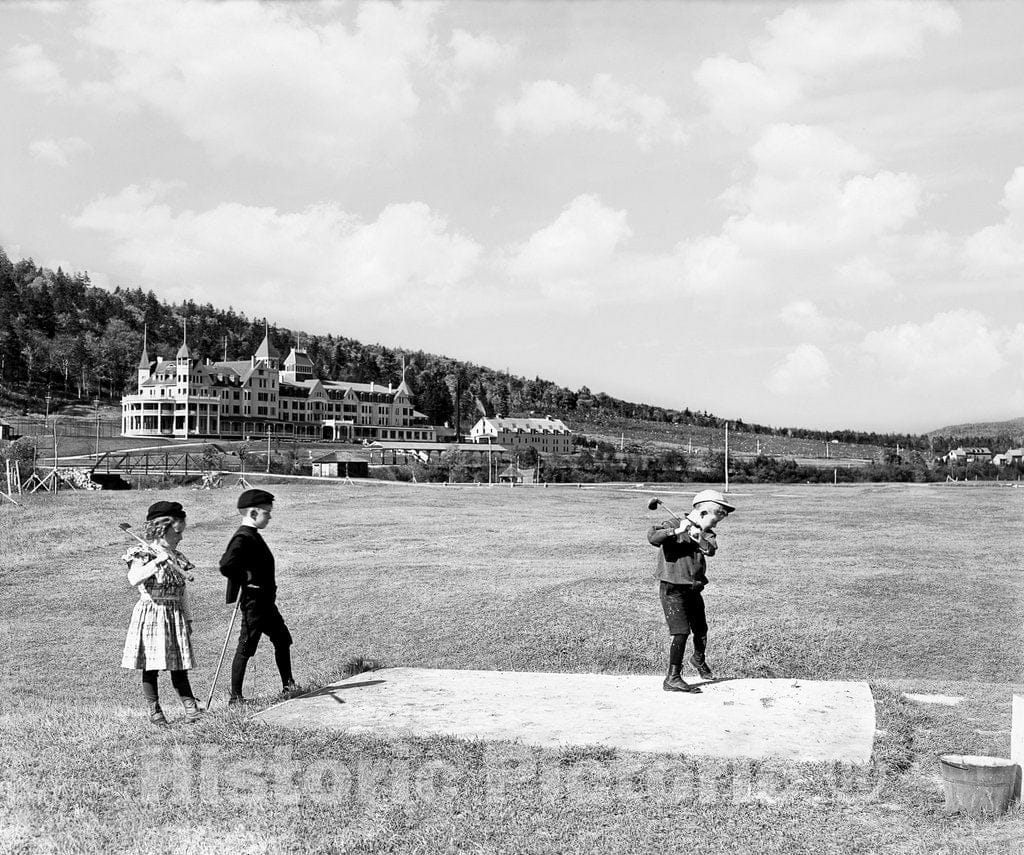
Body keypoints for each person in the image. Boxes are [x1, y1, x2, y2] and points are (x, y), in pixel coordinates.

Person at [121, 500, 203, 725]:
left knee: (178, 664)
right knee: (151, 665)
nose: (181, 537)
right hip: (152, 613)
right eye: (178, 532)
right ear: (163, 529)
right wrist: (157, 561)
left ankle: (191, 708)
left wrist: (188, 617)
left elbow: (183, 591)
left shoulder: (177, 556)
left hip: (174, 614)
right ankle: (155, 711)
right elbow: (133, 579)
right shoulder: (142, 553)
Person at [648, 489, 736, 693]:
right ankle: (672, 678)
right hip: (672, 588)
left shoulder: (706, 532)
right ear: (703, 512)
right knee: (680, 633)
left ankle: (698, 659)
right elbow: (653, 537)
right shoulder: (673, 524)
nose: (715, 525)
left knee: (701, 629)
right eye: (715, 518)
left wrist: (698, 538)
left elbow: (711, 549)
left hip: (693, 589)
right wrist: (678, 531)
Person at [219, 488, 298, 704]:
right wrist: (246, 576)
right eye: (267, 512)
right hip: (254, 602)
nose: (270, 516)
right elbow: (226, 564)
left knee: (282, 639)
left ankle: (288, 684)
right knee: (246, 645)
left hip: (265, 602)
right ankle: (235, 697)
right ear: (253, 513)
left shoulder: (253, 535)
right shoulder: (243, 537)